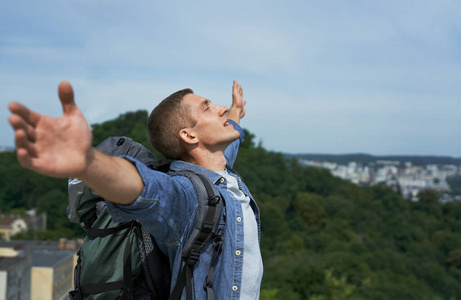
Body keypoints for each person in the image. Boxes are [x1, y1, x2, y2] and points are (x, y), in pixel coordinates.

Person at [8, 80, 263, 300]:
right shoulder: (187, 196)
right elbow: (142, 187)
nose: (222, 109)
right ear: (189, 136)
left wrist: (237, 114)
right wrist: (89, 163)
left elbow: (230, 142)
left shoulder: (221, 169)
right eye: (207, 107)